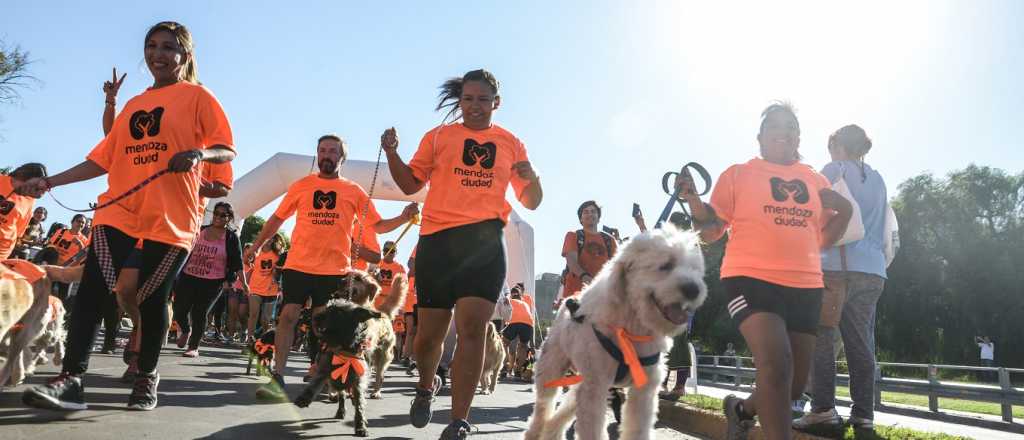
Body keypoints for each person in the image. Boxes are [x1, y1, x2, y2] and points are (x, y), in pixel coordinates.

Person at [19, 21, 236, 411]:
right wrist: (50, 181)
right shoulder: (135, 105)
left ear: (185, 55)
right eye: (151, 46)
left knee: (150, 300)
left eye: (168, 47)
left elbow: (226, 149)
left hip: (171, 220)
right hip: (117, 211)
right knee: (93, 290)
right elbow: (102, 159)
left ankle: (147, 375)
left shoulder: (198, 97)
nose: (157, 54)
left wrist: (199, 154)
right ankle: (71, 380)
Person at [676, 102, 852, 440]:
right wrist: (694, 201)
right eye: (774, 125)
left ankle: (741, 411)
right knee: (777, 365)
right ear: (759, 137)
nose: (783, 132)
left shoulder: (815, 180)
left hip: (806, 286)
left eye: (790, 127)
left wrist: (844, 212)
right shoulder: (738, 174)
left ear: (799, 137)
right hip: (750, 279)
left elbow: (822, 240)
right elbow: (712, 232)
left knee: (794, 385)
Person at [383, 68, 543, 439]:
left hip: (485, 245)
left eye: (483, 99)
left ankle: (458, 421)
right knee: (429, 337)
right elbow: (409, 184)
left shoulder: (511, 143)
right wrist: (392, 153)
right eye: (468, 99)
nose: (475, 106)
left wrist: (534, 176)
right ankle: (426, 386)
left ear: (496, 103)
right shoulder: (439, 137)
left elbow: (532, 202)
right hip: (438, 242)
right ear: (460, 100)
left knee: (474, 330)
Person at [243, 133, 416, 400]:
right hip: (298, 265)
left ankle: (321, 372)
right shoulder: (301, 186)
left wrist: (403, 217)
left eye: (333, 151)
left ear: (342, 157)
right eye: (322, 150)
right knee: (287, 316)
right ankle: (277, 376)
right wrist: (255, 247)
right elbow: (276, 220)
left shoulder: (353, 191)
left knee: (322, 325)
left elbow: (378, 225)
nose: (326, 155)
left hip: (334, 270)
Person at [794, 125, 889, 432]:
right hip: (873, 271)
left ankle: (823, 410)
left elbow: (810, 212)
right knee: (861, 344)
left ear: (838, 145)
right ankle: (863, 415)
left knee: (821, 338)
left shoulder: (834, 170)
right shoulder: (878, 179)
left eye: (831, 146)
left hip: (837, 268)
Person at [171, 202, 245, 357]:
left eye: (223, 215)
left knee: (200, 312)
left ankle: (193, 347)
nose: (218, 217)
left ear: (229, 218)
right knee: (179, 309)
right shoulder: (201, 229)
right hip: (188, 276)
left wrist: (243, 283)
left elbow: (237, 262)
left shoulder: (231, 237)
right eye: (216, 213)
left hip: (213, 281)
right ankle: (186, 329)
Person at [560, 201, 617, 301]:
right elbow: (572, 262)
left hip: (602, 297)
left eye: (593, 211)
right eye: (586, 212)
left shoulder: (610, 240)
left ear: (598, 218)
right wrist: (587, 279)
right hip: (575, 297)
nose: (590, 214)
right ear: (581, 219)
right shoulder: (573, 236)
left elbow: (616, 266)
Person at [245, 234, 286, 342]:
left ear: (273, 240)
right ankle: (249, 339)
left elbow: (281, 271)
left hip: (271, 290)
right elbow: (249, 266)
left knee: (265, 320)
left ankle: (264, 341)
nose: (268, 240)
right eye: (267, 237)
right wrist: (245, 284)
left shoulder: (278, 254)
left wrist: (279, 281)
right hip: (255, 288)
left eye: (271, 238)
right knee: (253, 314)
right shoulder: (256, 252)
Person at [1, 163, 45, 259]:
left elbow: (18, 231)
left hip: (2, 248)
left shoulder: (29, 200)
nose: (33, 192)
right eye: (35, 187)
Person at [501, 286, 535, 381]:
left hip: (513, 323)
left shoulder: (509, 301)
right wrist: (532, 343)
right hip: (528, 325)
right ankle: (518, 371)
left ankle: (505, 367)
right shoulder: (525, 304)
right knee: (523, 346)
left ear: (511, 295)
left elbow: (504, 317)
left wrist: (502, 330)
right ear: (520, 296)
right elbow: (531, 321)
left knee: (504, 343)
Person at [373, 241, 406, 309]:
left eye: (392, 251)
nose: (389, 252)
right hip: (374, 302)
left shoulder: (400, 268)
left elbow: (403, 288)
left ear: (395, 253)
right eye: (386, 250)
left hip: (390, 305)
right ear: (383, 252)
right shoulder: (375, 264)